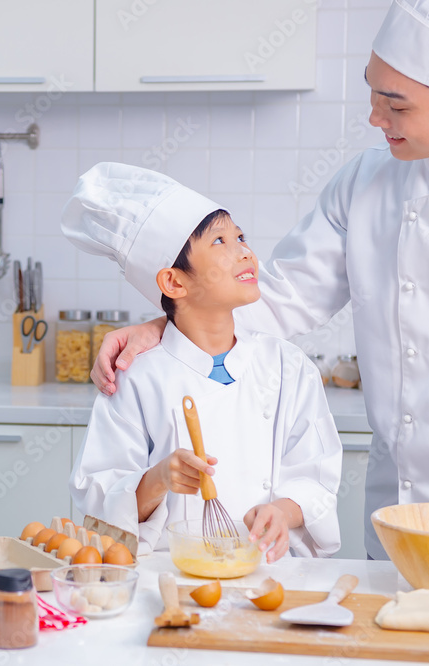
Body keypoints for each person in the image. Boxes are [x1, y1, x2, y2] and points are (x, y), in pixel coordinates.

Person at [92, 0, 429, 566]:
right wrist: (164, 324)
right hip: (402, 523)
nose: (374, 118)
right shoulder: (367, 183)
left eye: (395, 104)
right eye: (372, 91)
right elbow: (278, 300)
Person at [62, 163, 342, 561]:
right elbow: (99, 501)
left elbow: (316, 476)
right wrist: (158, 479)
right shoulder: (138, 377)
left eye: (241, 236)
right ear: (175, 282)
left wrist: (281, 512)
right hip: (167, 577)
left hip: (268, 570)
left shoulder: (287, 366)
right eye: (220, 242)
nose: (245, 250)